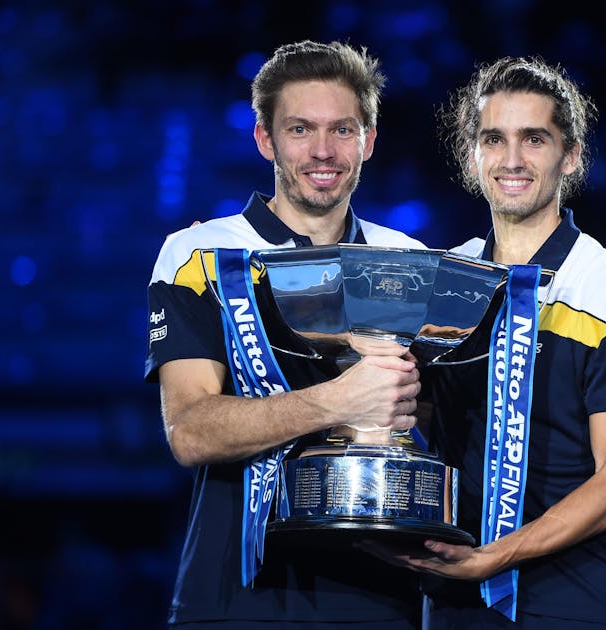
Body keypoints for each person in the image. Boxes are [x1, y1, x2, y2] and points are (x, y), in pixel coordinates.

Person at [364, 57, 606, 628]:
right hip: (456, 603)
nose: (511, 160)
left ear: (570, 155)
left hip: (577, 606)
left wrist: (491, 559)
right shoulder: (446, 281)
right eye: (493, 139)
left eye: (534, 139)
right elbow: (419, 421)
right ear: (472, 156)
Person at [144, 40, 427, 628]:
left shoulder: (410, 260)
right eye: (300, 129)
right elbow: (190, 431)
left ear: (369, 141)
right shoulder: (199, 254)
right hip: (236, 594)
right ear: (265, 140)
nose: (323, 151)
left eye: (342, 130)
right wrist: (338, 400)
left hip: (381, 595)